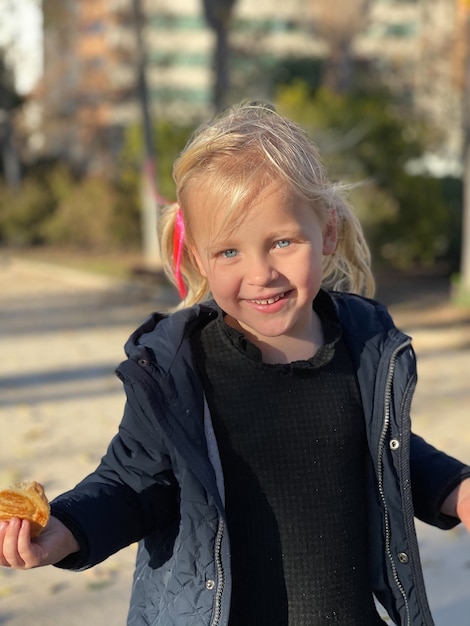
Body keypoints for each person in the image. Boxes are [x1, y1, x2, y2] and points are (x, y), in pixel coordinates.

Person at [1, 102, 470, 626]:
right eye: (229, 253)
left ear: (328, 233)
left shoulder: (363, 346)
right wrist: (64, 530)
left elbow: (392, 450)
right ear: (198, 259)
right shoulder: (178, 369)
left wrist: (457, 489)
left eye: (283, 242)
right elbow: (133, 482)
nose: (261, 272)